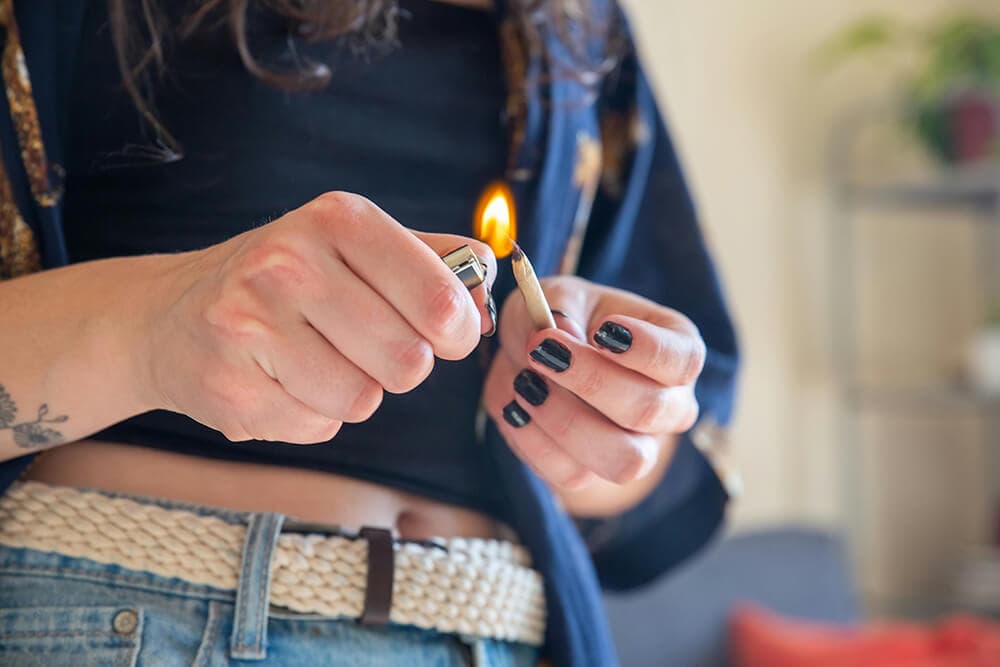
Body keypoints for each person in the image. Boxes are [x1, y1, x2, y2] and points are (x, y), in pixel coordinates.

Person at [0, 0, 739, 664]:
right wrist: (157, 325)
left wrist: (611, 415)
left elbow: (655, 506)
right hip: (143, 615)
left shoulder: (580, 23)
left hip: (500, 629)